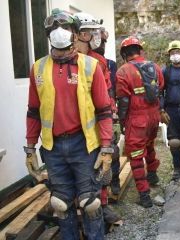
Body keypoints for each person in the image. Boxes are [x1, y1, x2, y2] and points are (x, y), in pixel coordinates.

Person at [25, 9, 112, 239]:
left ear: (75, 34)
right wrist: (30, 147)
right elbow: (33, 111)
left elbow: (104, 110)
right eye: (54, 28)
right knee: (61, 204)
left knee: (90, 203)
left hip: (83, 145)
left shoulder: (90, 66)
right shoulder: (38, 69)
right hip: (53, 149)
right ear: (48, 34)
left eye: (65, 27)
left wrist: (106, 148)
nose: (60, 32)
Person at [74, 12, 121, 225]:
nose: (98, 36)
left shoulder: (99, 61)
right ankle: (77, 205)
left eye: (97, 32)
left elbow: (108, 93)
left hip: (96, 123)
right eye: (93, 32)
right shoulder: (65, 59)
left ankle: (101, 205)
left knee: (102, 166)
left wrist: (111, 116)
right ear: (80, 34)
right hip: (73, 128)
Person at [116, 36, 164, 208]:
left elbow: (123, 101)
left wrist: (122, 122)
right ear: (140, 50)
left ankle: (144, 195)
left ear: (124, 54)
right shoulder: (156, 67)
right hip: (153, 116)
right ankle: (153, 176)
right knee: (150, 145)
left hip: (136, 119)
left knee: (136, 155)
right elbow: (161, 88)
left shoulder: (123, 71)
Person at [93, 26, 121, 197]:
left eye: (103, 41)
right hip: (93, 116)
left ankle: (115, 180)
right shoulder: (86, 63)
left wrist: (115, 111)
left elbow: (113, 90)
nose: (101, 45)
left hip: (108, 112)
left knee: (113, 151)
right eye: (99, 41)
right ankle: (99, 193)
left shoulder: (110, 64)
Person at [161, 40, 180, 180]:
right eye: (172, 53)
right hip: (171, 110)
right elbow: (160, 92)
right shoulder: (165, 71)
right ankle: (177, 169)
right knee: (174, 142)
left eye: (177, 52)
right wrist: (161, 110)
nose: (175, 55)